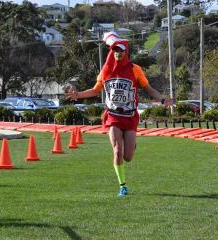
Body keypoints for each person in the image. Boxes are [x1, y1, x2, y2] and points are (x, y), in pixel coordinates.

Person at [66, 32, 172, 197]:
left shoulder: (135, 69)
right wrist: (77, 95)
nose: (118, 53)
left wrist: (163, 100)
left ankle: (132, 146)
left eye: (121, 50)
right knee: (117, 150)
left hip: (130, 117)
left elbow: (149, 89)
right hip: (113, 116)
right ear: (111, 51)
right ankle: (122, 186)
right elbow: (95, 90)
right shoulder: (106, 70)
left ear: (126, 52)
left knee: (128, 156)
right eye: (115, 50)